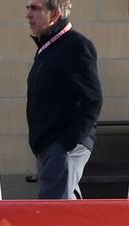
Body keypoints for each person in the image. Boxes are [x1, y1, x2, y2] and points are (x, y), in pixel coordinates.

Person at [26, 0, 101, 200]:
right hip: (50, 148)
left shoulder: (76, 46)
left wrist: (68, 143)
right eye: (28, 8)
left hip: (63, 146)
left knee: (52, 217)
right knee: (68, 217)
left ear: (55, 14)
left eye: (35, 8)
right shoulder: (48, 48)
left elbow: (92, 99)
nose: (28, 15)